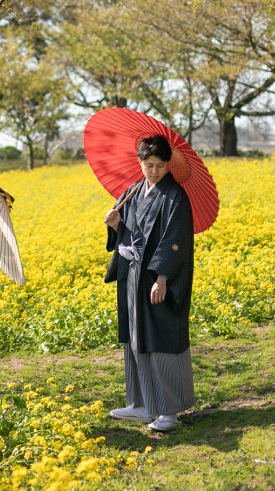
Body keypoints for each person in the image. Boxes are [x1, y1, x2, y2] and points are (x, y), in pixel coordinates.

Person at [103, 134, 195, 431]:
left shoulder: (175, 196)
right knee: (135, 336)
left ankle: (168, 409)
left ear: (169, 165)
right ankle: (141, 404)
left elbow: (176, 241)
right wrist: (116, 225)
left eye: (159, 165)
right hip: (132, 275)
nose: (154, 171)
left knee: (161, 338)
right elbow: (129, 234)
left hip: (156, 278)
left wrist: (164, 277)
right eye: (148, 165)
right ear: (139, 162)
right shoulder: (132, 191)